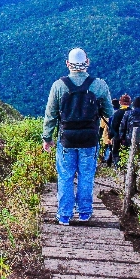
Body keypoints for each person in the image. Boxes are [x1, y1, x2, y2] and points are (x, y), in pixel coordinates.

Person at [42, 48, 113, 224]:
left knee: (65, 176)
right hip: (89, 139)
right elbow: (109, 112)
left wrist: (47, 138)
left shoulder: (59, 85)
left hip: (67, 139)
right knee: (86, 176)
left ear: (68, 64)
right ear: (87, 62)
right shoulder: (99, 85)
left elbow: (50, 115)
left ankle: (64, 215)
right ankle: (84, 213)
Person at [108, 94, 130, 166]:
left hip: (117, 136)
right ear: (130, 102)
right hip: (128, 137)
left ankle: (118, 167)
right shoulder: (131, 112)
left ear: (120, 102)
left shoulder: (117, 113)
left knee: (116, 153)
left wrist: (110, 137)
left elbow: (113, 126)